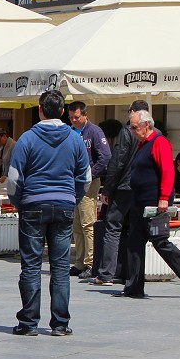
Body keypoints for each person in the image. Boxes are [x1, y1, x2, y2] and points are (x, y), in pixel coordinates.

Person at [6, 90, 90, 336]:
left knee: (31, 265)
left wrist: (18, 202)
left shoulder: (27, 139)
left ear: (40, 109)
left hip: (32, 204)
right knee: (61, 266)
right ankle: (60, 323)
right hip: (64, 205)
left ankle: (29, 323)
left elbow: (14, 178)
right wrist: (73, 198)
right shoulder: (75, 139)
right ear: (63, 111)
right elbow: (85, 177)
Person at [121, 110, 180, 299]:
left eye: (134, 127)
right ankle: (133, 286)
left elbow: (168, 171)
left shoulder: (160, 142)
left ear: (146, 125)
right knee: (134, 243)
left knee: (159, 240)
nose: (132, 131)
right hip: (139, 202)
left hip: (155, 204)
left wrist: (164, 197)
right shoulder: (142, 145)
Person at [94, 100, 150, 287]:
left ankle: (106, 274)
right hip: (141, 188)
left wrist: (107, 188)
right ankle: (131, 273)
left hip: (124, 187)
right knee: (135, 229)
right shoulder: (155, 134)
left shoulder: (127, 131)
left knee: (113, 227)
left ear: (133, 111)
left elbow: (118, 161)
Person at [67, 101, 111, 280]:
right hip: (73, 182)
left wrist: (91, 174)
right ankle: (79, 262)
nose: (74, 120)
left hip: (88, 182)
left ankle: (91, 263)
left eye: (77, 117)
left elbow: (106, 156)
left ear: (85, 115)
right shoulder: (70, 131)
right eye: (71, 117)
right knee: (76, 224)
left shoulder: (94, 132)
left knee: (88, 223)